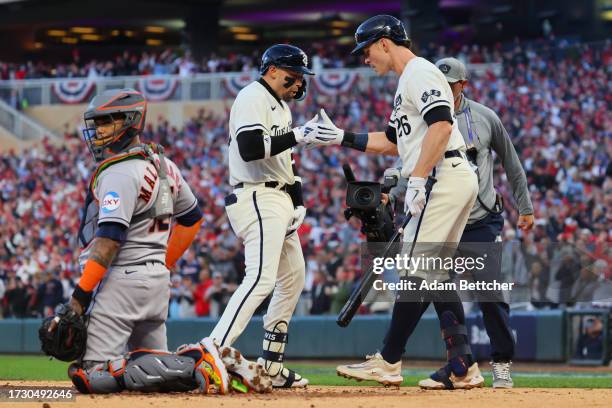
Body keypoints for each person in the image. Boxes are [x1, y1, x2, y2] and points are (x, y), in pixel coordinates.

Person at [305, 15, 483, 389]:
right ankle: (463, 365)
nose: (365, 58)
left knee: (416, 272)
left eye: (367, 50)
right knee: (436, 273)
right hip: (447, 175)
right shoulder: (408, 81)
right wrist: (340, 136)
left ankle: (388, 360)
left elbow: (442, 125)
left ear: (385, 43)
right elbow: (390, 141)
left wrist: (417, 177)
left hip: (442, 176)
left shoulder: (419, 72)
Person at [45, 88, 234, 395]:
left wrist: (79, 298)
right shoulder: (164, 164)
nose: (98, 130)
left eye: (107, 121)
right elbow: (192, 218)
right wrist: (165, 262)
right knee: (159, 380)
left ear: (130, 121)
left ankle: (195, 359)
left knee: (90, 375)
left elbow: (109, 240)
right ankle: (190, 365)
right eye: (97, 123)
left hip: (121, 283)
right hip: (157, 283)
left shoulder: (118, 172)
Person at [206, 44, 330, 388]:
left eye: (301, 78)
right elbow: (249, 148)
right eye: (292, 76)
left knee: (293, 277)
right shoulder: (252, 96)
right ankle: (212, 349)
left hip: (277, 196)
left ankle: (272, 366)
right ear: (272, 70)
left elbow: (287, 164)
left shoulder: (280, 107)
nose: (298, 84)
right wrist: (298, 135)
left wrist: (299, 200)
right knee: (261, 278)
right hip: (257, 194)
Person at [411, 57, 534, 389]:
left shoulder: (485, 117)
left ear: (463, 85)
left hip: (481, 220)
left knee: (489, 292)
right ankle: (459, 364)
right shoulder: (423, 118)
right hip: (445, 218)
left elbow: (512, 163)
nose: (445, 91)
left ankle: (501, 362)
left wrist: (525, 207)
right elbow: (408, 161)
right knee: (441, 292)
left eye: (451, 86)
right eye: (441, 84)